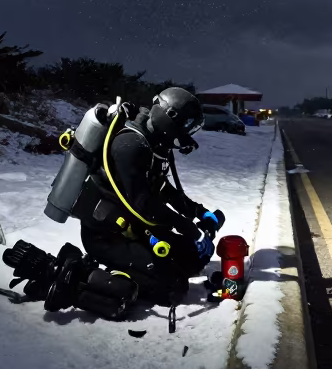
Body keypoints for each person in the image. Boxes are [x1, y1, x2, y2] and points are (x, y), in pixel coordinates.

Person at [71, 87, 225, 305]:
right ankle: (92, 279)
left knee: (195, 257)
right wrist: (190, 229)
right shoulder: (131, 145)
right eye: (185, 126)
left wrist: (198, 211)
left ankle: (146, 266)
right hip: (107, 236)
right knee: (173, 289)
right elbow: (143, 204)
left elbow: (161, 187)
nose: (185, 133)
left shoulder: (152, 141)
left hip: (136, 228)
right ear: (170, 117)